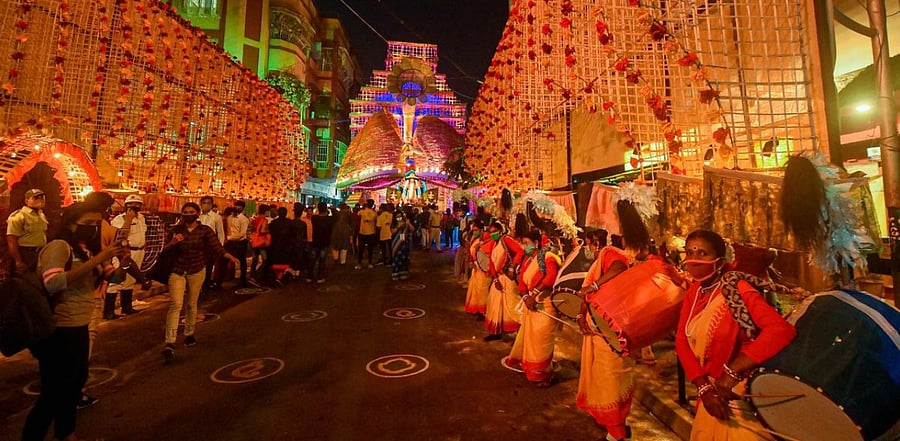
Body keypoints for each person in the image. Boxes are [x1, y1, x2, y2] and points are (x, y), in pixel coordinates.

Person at [675, 229, 796, 440]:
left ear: (720, 261)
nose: (694, 260)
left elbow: (780, 331)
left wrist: (729, 375)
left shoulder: (738, 290)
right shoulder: (695, 292)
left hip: (737, 395)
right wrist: (703, 386)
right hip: (709, 396)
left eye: (702, 253)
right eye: (690, 253)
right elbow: (682, 340)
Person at [23, 202, 125, 441]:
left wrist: (122, 260)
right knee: (52, 394)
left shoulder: (86, 250)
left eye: (96, 225)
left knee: (72, 387)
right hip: (59, 330)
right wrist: (97, 259)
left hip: (79, 325)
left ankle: (67, 434)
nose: (93, 229)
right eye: (88, 224)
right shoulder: (59, 247)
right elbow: (53, 283)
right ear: (71, 223)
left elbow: (116, 277)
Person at [574, 229, 635, 441]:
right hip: (599, 327)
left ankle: (615, 434)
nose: (588, 248)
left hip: (609, 330)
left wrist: (594, 285)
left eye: (589, 243)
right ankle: (619, 424)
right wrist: (582, 315)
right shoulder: (607, 256)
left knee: (609, 378)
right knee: (605, 377)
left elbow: (618, 267)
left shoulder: (611, 253)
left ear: (597, 242)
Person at [161, 203, 240, 362]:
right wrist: (173, 242)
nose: (188, 214)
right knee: (175, 304)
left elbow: (217, 247)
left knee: (191, 303)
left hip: (197, 270)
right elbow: (163, 249)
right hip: (177, 271)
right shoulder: (175, 230)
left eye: (191, 212)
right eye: (185, 212)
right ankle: (170, 342)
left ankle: (189, 333)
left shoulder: (205, 230)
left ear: (197, 213)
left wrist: (230, 257)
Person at [505, 230, 562, 388]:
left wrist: (534, 294)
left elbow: (550, 277)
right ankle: (533, 371)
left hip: (545, 306)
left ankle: (546, 375)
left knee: (542, 341)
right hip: (531, 305)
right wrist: (525, 297)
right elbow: (522, 282)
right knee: (531, 341)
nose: (524, 246)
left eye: (526, 243)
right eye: (522, 243)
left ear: (536, 243)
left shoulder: (548, 257)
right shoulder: (528, 260)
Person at [106, 194, 147, 318]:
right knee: (117, 280)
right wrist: (128, 220)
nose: (134, 206)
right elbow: (120, 236)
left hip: (139, 252)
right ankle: (108, 312)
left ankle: (127, 307)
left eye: (137, 204)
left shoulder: (142, 218)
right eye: (131, 204)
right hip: (124, 253)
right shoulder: (119, 219)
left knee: (130, 281)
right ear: (126, 205)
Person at [483, 222, 523, 341]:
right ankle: (496, 332)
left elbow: (520, 251)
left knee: (512, 305)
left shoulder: (506, 240)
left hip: (508, 278)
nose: (492, 234)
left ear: (500, 231)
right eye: (490, 232)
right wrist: (495, 279)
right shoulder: (493, 244)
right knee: (494, 304)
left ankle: (520, 334)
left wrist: (512, 267)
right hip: (498, 278)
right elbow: (491, 262)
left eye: (494, 231)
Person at [6, 188, 48, 274]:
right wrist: (18, 261)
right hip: (25, 253)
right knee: (26, 280)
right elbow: (11, 240)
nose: (40, 200)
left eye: (42, 198)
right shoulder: (19, 216)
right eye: (36, 198)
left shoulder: (41, 215)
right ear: (27, 200)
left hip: (40, 252)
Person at [198, 195, 225, 291]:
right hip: (198, 246)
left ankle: (206, 288)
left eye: (208, 203)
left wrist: (220, 248)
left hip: (210, 247)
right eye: (204, 203)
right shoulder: (197, 216)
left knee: (208, 268)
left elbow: (220, 233)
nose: (206, 205)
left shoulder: (216, 217)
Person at [224, 200, 250, 287]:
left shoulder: (244, 219)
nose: (237, 208)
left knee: (242, 261)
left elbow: (242, 233)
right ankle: (226, 277)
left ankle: (243, 279)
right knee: (226, 259)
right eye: (236, 206)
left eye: (240, 206)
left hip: (240, 242)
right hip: (230, 242)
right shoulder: (229, 217)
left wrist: (228, 238)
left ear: (242, 208)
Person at [310, 202, 336, 283]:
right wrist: (332, 208)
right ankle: (320, 277)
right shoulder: (329, 219)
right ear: (326, 209)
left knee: (312, 259)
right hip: (325, 242)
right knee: (322, 260)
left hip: (315, 241)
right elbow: (336, 216)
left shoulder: (314, 218)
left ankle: (309, 276)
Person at [267, 206, 294, 284]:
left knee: (276, 262)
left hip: (275, 246)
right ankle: (280, 277)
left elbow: (270, 233)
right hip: (286, 246)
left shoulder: (273, 223)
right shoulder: (289, 223)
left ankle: (277, 276)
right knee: (284, 262)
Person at [249, 204, 271, 286]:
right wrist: (268, 232)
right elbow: (262, 231)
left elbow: (252, 230)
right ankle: (256, 277)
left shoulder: (255, 219)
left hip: (254, 242)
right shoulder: (264, 220)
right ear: (265, 211)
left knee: (254, 260)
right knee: (265, 260)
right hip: (261, 244)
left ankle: (251, 276)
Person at [390, 210, 415, 280]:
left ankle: (403, 272)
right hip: (396, 243)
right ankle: (396, 273)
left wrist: (408, 223)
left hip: (404, 243)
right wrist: (398, 226)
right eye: (397, 217)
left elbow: (413, 229)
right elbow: (392, 231)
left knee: (404, 258)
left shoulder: (406, 223)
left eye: (400, 216)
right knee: (396, 258)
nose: (399, 218)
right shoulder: (394, 224)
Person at [355, 199, 377, 269]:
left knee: (361, 249)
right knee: (370, 249)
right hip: (371, 232)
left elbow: (358, 214)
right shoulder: (374, 213)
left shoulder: (362, 211)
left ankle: (359, 264)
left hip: (362, 232)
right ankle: (370, 263)